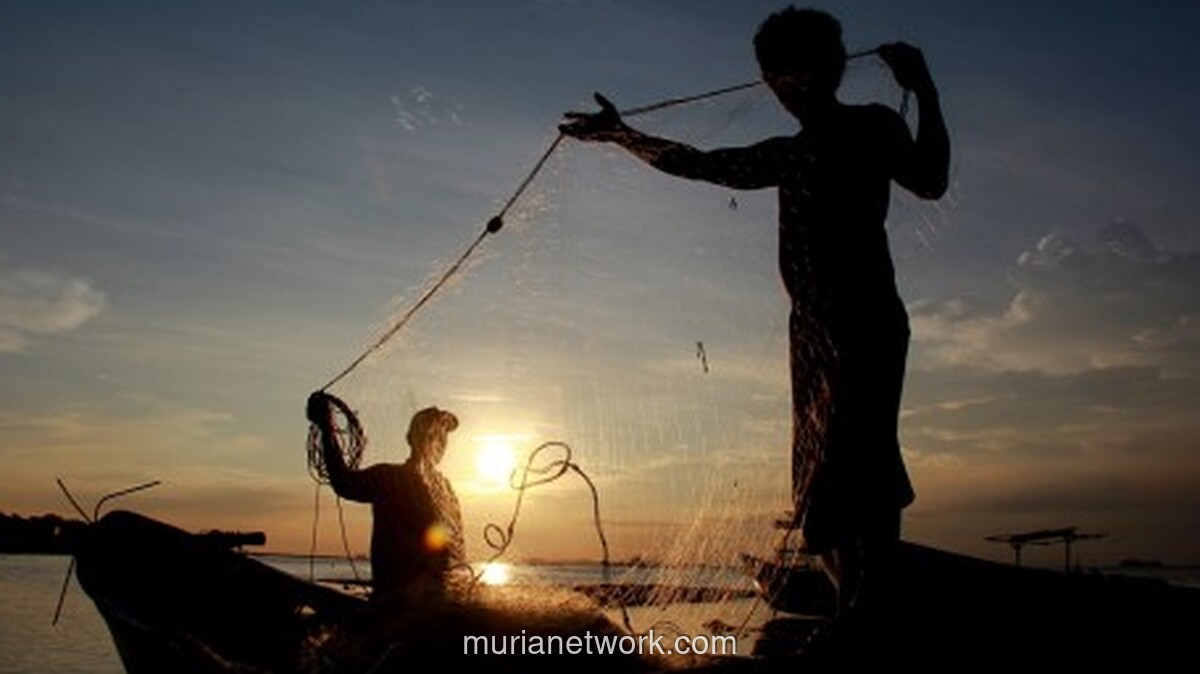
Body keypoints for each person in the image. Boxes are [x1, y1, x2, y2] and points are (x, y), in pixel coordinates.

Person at [559, 6, 949, 647]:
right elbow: (699, 164)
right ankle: (853, 610)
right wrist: (623, 135)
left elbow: (930, 180)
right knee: (818, 485)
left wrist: (925, 89)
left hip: (866, 321)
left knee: (867, 465)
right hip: (813, 331)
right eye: (771, 75)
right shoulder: (791, 153)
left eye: (782, 73)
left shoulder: (866, 129)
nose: (776, 86)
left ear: (809, 73)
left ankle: (869, 616)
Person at [306, 391, 466, 602]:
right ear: (412, 439)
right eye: (433, 434)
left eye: (443, 435)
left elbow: (455, 552)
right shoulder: (390, 478)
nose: (441, 440)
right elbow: (344, 482)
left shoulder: (445, 490)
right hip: (401, 599)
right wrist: (327, 428)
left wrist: (326, 427)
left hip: (417, 599)